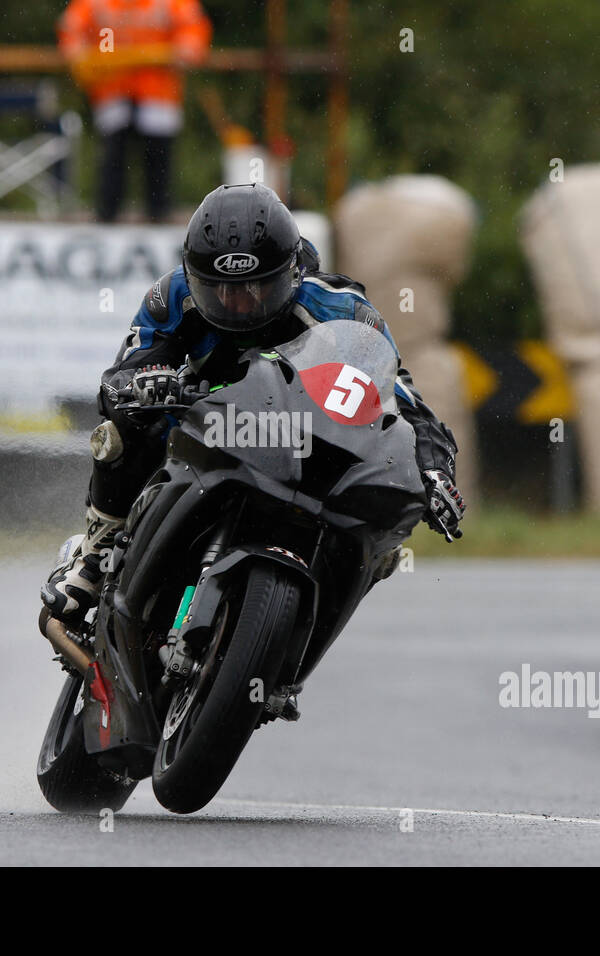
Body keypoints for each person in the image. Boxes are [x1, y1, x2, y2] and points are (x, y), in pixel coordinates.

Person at [42, 182, 466, 623]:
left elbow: (404, 401)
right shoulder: (171, 295)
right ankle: (94, 557)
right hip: (199, 430)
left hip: (304, 449)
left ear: (292, 272)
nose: (235, 305)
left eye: (255, 289)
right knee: (120, 431)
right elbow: (123, 374)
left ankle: (297, 638)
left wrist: (435, 469)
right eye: (219, 290)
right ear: (194, 275)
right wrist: (136, 388)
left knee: (381, 538)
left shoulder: (343, 310)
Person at [57, 0, 212, 222]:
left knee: (158, 157)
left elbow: (193, 28)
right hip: (113, 88)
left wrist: (187, 49)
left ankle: (158, 216)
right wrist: (77, 51)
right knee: (113, 156)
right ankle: (107, 215)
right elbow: (71, 27)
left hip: (156, 90)